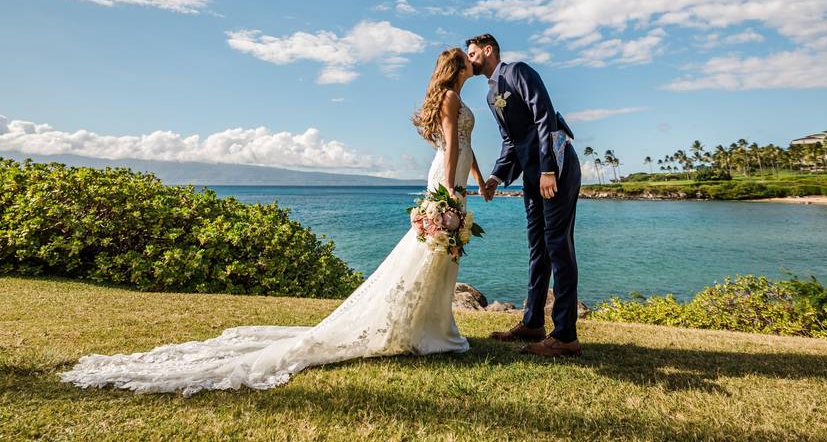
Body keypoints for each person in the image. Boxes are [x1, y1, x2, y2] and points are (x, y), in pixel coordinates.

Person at [60, 48, 486, 395]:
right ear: (457, 67)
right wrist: (448, 189)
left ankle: (433, 328)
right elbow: (450, 146)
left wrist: (478, 181)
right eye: (468, 57)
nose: (473, 60)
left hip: (457, 182)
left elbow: (466, 147)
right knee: (430, 254)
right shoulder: (450, 99)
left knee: (441, 256)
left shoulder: (460, 100)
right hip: (444, 180)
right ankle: (428, 332)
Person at [466, 34, 583, 358]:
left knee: (559, 245)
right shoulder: (492, 95)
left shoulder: (516, 71)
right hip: (531, 176)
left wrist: (548, 169)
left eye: (473, 53)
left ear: (488, 51)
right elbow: (510, 141)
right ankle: (533, 322)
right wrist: (495, 176)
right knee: (538, 248)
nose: (470, 58)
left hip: (555, 167)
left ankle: (565, 335)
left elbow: (544, 114)